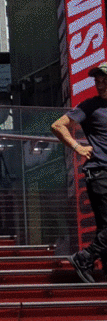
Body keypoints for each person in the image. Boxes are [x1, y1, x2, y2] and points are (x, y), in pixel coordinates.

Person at [51, 62, 107, 284]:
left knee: (105, 227)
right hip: (100, 173)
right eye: (97, 80)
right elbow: (58, 126)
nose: (100, 84)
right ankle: (84, 258)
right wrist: (78, 147)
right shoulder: (89, 106)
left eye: (104, 80)